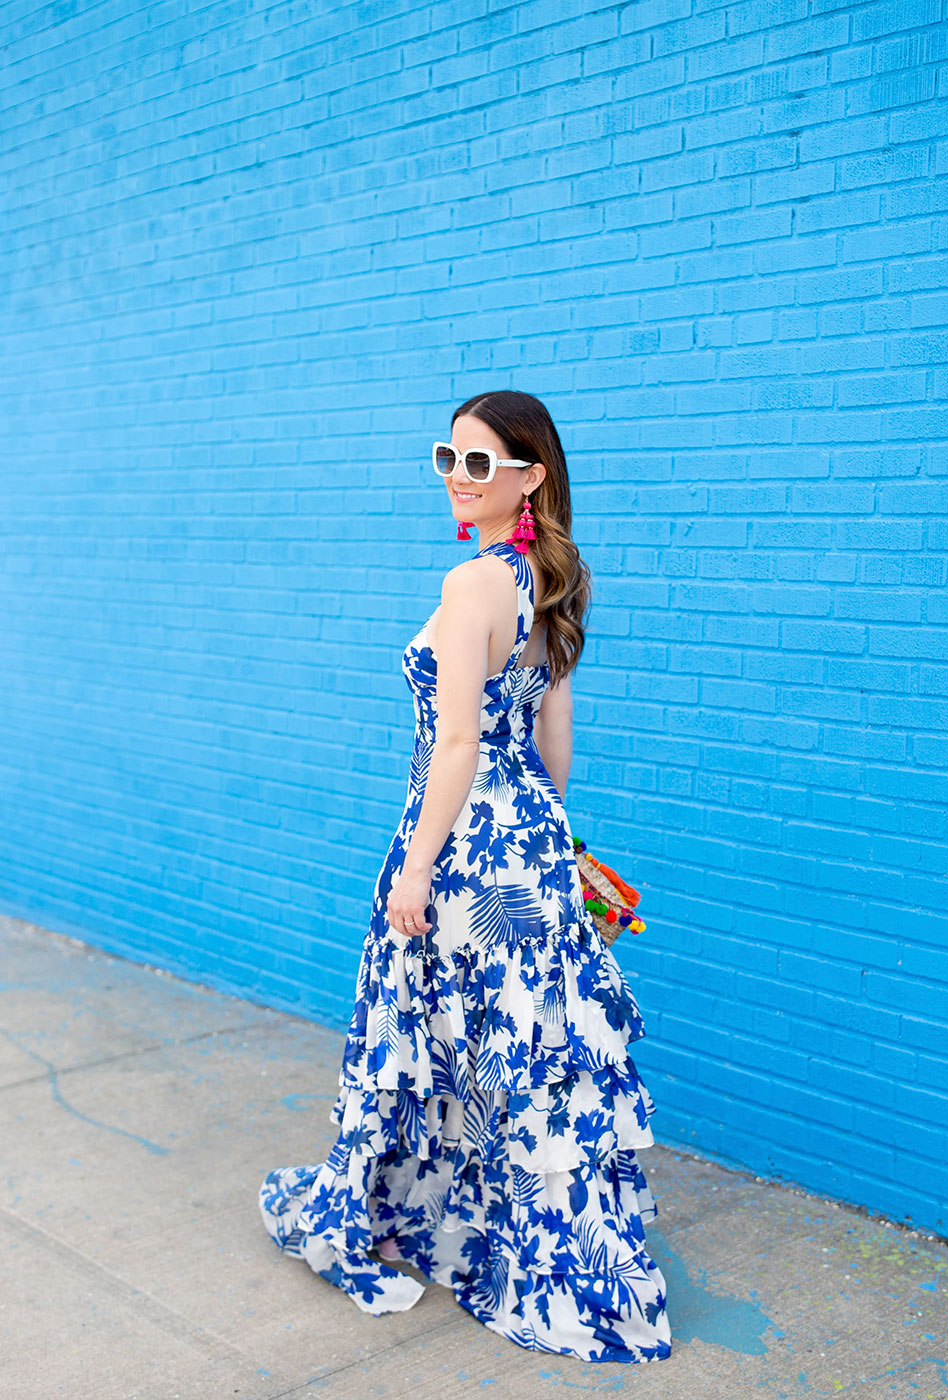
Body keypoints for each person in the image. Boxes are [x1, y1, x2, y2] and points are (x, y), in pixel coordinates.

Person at [258, 389, 672, 1364]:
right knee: (521, 1054)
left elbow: (453, 744)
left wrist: (415, 867)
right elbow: (555, 749)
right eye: (448, 453)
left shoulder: (470, 583)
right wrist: (549, 850)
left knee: (442, 1041)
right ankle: (536, 1246)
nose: (457, 473)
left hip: (462, 846)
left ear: (529, 477)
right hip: (531, 844)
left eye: (480, 461)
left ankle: (442, 1227)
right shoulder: (553, 584)